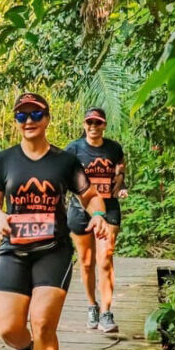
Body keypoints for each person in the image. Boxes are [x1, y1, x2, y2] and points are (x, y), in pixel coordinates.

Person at [0, 93, 108, 350]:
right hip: (14, 251)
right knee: (8, 328)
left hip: (53, 252)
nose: (29, 121)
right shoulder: (5, 160)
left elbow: (91, 195)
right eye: (22, 116)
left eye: (35, 114)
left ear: (47, 118)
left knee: (42, 322)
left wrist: (99, 216)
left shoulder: (64, 161)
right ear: (16, 122)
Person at [65, 107, 127, 333]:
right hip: (80, 211)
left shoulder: (113, 148)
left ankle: (107, 312)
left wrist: (120, 179)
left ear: (104, 125)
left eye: (97, 123)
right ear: (84, 125)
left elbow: (120, 164)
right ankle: (92, 305)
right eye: (89, 123)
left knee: (105, 258)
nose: (93, 127)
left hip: (108, 209)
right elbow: (63, 174)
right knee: (87, 261)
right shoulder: (74, 148)